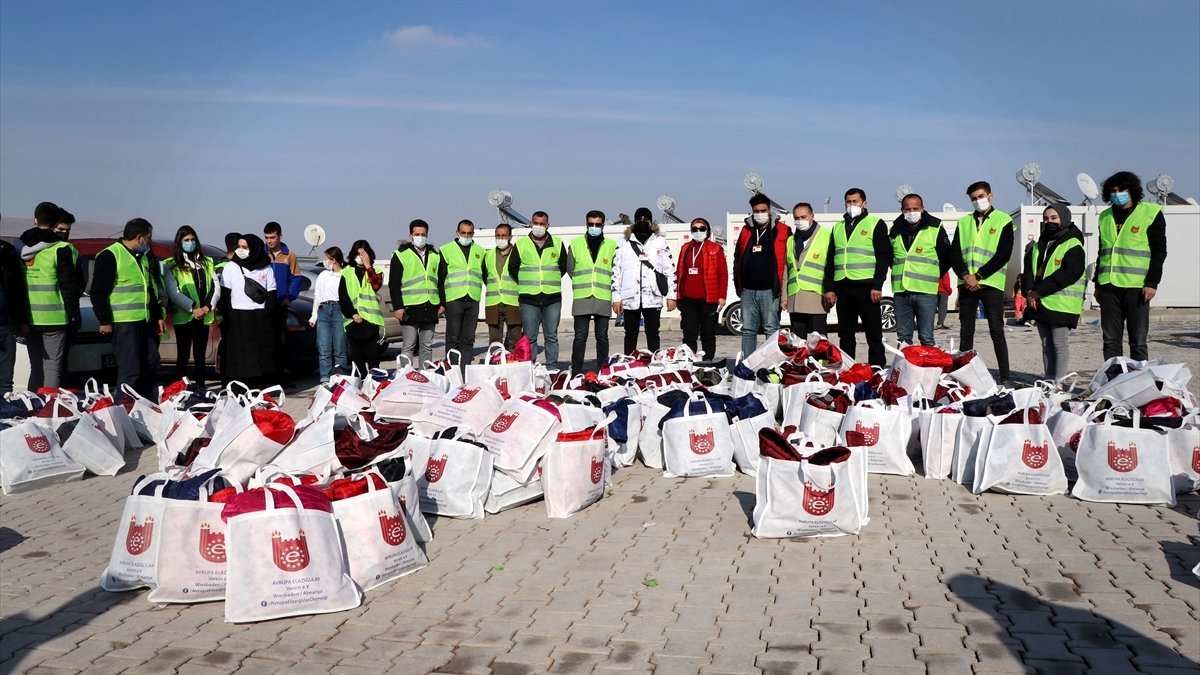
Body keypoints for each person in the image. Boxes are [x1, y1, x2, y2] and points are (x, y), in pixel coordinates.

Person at [1093, 170, 1167, 361]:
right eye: (1113, 191)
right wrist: (1097, 285)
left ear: (1132, 190)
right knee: (1110, 341)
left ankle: (1139, 385)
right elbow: (1103, 252)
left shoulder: (1151, 213)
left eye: (1121, 189)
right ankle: (1113, 382)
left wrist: (1152, 282)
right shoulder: (1105, 217)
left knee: (1138, 341)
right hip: (1108, 286)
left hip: (1137, 287)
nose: (1117, 194)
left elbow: (1159, 252)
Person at [91, 218, 165, 397]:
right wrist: (104, 320)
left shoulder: (143, 257)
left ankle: (146, 408)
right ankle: (123, 410)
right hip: (124, 323)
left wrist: (158, 316)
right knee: (131, 369)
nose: (150, 242)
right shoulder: (111, 255)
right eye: (149, 238)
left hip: (145, 321)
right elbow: (98, 292)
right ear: (139, 237)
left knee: (151, 363)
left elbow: (149, 290)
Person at [951, 181, 1013, 383]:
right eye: (974, 198)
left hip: (991, 284)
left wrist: (978, 276)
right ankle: (964, 376)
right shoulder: (964, 222)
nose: (978, 201)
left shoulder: (1004, 220)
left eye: (981, 196)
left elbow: (1003, 254)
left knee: (997, 330)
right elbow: (955, 254)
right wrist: (964, 275)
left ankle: (1005, 377)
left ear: (990, 196)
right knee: (966, 331)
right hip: (967, 284)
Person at [823, 188, 890, 367]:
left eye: (855, 201)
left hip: (867, 288)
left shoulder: (875, 223)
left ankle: (876, 369)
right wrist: (829, 288)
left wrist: (877, 285)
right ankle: (847, 368)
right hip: (843, 288)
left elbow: (883, 257)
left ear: (864, 203)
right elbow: (830, 259)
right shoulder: (837, 227)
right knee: (845, 334)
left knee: (873, 333)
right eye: (848, 202)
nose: (852, 205)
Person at [20, 201, 82, 390]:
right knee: (53, 368)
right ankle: (48, 410)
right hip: (55, 317)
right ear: (54, 224)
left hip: (29, 318)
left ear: (35, 220)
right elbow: (71, 287)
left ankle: (32, 408)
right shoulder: (63, 249)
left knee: (36, 367)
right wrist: (74, 316)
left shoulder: (20, 248)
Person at [1022, 204, 1085, 383]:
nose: (1049, 222)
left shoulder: (1073, 243)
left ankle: (1059, 383)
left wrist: (1039, 292)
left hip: (1060, 303)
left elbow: (1069, 273)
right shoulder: (1039, 244)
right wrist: (1029, 292)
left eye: (1054, 218)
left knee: (1059, 344)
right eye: (1046, 218)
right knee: (1045, 345)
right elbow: (1028, 270)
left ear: (1064, 219)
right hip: (1039, 302)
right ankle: (1049, 381)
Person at [889, 194, 952, 347]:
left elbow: (946, 258)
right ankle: (906, 370)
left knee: (926, 337)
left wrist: (933, 274)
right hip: (901, 292)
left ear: (922, 208)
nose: (911, 212)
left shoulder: (935, 228)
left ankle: (929, 370)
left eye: (915, 208)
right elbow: (892, 258)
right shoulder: (894, 230)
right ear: (902, 210)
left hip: (926, 292)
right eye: (908, 209)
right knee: (903, 339)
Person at [612, 207, 677, 354]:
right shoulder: (624, 242)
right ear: (634, 222)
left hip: (652, 295)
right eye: (639, 219)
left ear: (651, 221)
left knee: (653, 333)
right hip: (630, 296)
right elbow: (616, 270)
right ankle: (629, 364)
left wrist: (672, 296)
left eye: (646, 219)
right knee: (630, 334)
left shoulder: (659, 242)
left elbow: (670, 270)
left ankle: (655, 362)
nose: (642, 221)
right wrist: (616, 297)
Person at [508, 211, 567, 365]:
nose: (538, 226)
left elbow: (562, 267)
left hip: (552, 298)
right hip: (529, 299)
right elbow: (512, 268)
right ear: (530, 223)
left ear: (548, 225)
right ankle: (530, 367)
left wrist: (547, 280)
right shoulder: (521, 244)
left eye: (542, 224)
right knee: (529, 337)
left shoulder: (558, 244)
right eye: (535, 223)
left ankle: (552, 367)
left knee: (551, 336)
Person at [734, 194, 790, 357]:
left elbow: (788, 262)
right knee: (748, 330)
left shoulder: (783, 230)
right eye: (756, 211)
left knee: (771, 329)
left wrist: (783, 291)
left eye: (763, 210)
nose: (759, 214)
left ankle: (772, 364)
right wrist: (739, 285)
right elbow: (738, 257)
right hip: (748, 291)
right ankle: (748, 365)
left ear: (769, 210)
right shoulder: (746, 230)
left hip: (769, 291)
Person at [218, 234, 276, 387]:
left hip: (259, 316)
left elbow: (272, 292)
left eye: (245, 247)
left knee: (259, 355)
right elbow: (225, 294)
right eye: (239, 246)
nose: (241, 250)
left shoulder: (266, 266)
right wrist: (229, 314)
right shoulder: (231, 266)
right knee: (240, 355)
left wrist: (266, 312)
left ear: (254, 248)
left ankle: (258, 386)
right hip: (238, 316)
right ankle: (238, 387)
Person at [164, 226, 219, 387]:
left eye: (193, 239)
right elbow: (173, 292)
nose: (190, 243)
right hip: (185, 316)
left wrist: (208, 306)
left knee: (200, 355)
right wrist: (193, 308)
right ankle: (179, 388)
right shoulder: (171, 264)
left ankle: (201, 387)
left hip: (204, 314)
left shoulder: (207, 262)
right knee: (183, 354)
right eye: (186, 240)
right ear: (179, 242)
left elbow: (215, 285)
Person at [568, 210, 617, 373]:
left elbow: (616, 271)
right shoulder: (575, 244)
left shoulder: (612, 245)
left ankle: (602, 370)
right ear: (586, 224)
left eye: (597, 224)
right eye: (591, 224)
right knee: (580, 337)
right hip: (582, 296)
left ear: (603, 225)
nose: (594, 227)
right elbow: (570, 269)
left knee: (602, 337)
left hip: (603, 296)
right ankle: (576, 371)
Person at [389, 220, 443, 367]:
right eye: (417, 234)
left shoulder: (435, 255)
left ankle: (425, 377)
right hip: (409, 307)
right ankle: (405, 378)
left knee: (426, 346)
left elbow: (440, 281)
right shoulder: (401, 255)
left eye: (423, 234)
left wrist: (442, 304)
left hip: (430, 306)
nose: (421, 237)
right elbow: (394, 284)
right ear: (410, 235)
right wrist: (398, 307)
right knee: (409, 345)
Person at [675, 217, 727, 361]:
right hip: (688, 299)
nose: (698, 231)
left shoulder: (715, 248)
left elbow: (723, 274)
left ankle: (708, 363)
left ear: (707, 230)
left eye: (701, 229)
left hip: (708, 299)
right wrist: (677, 295)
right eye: (695, 229)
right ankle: (689, 363)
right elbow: (680, 272)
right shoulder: (686, 248)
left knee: (708, 333)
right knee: (689, 334)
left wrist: (721, 297)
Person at [439, 219, 485, 364]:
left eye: (469, 233)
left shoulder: (480, 251)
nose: (466, 236)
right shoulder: (446, 250)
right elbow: (440, 279)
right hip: (454, 299)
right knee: (453, 338)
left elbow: (486, 275)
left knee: (469, 338)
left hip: (472, 299)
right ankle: (453, 369)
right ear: (457, 232)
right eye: (463, 233)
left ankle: (465, 369)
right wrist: (442, 302)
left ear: (473, 233)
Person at [784, 202, 831, 337]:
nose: (800, 221)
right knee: (798, 342)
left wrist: (830, 291)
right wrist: (784, 297)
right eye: (796, 218)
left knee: (819, 341)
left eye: (803, 217)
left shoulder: (826, 236)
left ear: (812, 216)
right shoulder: (791, 240)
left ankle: (820, 359)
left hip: (816, 296)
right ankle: (802, 359)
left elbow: (830, 267)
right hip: (795, 296)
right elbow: (787, 269)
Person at [263, 222, 301, 383]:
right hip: (263, 305)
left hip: (280, 305)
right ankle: (266, 377)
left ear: (280, 236)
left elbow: (296, 278)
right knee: (266, 341)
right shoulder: (261, 254)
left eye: (272, 237)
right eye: (266, 238)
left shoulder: (289, 255)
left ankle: (281, 377)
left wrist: (289, 297)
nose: (269, 241)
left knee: (280, 341)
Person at [340, 240, 385, 374]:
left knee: (373, 357)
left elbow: (376, 285)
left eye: (363, 254)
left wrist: (368, 265)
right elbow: (343, 296)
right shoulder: (347, 273)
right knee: (357, 357)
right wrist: (352, 313)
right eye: (358, 254)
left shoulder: (376, 271)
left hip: (371, 320)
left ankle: (375, 382)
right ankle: (362, 381)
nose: (360, 256)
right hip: (353, 321)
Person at [309, 246, 350, 384]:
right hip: (324, 310)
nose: (324, 261)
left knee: (340, 346)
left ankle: (340, 375)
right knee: (324, 346)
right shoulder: (323, 275)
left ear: (334, 260)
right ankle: (325, 377)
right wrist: (314, 315)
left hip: (340, 310)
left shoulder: (345, 275)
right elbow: (318, 295)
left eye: (327, 258)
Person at [483, 224, 522, 351]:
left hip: (513, 302)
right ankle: (495, 364)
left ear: (510, 237)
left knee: (514, 338)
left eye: (504, 235)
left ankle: (513, 365)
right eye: (498, 235)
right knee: (494, 340)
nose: (501, 238)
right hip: (493, 303)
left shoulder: (518, 254)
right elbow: (485, 276)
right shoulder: (488, 255)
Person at [0, 236, 29, 394]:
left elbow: (17, 288)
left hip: (6, 325)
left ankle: (4, 414)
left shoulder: (6, 251)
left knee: (5, 383)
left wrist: (21, 321)